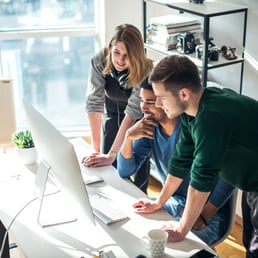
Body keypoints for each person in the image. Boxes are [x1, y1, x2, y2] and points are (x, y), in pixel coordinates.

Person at [132, 54, 258, 258]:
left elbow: (201, 179)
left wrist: (182, 229)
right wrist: (159, 202)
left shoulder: (211, 117)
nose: (159, 104)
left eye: (162, 98)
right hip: (252, 183)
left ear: (183, 94)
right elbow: (180, 162)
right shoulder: (194, 112)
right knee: (250, 246)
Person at [118, 78, 235, 246]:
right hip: (173, 203)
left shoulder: (195, 128)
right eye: (142, 101)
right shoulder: (150, 128)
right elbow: (125, 171)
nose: (143, 107)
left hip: (207, 213)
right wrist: (128, 137)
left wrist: (203, 216)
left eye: (150, 102)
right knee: (132, 229)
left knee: (165, 248)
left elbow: (229, 176)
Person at [82, 24, 153, 192]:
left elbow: (133, 112)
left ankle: (140, 195)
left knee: (134, 163)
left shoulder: (145, 70)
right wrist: (96, 150)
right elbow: (94, 102)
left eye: (127, 56)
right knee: (107, 164)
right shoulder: (99, 61)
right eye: (116, 53)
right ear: (110, 48)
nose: (120, 60)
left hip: (139, 118)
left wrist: (113, 154)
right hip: (112, 110)